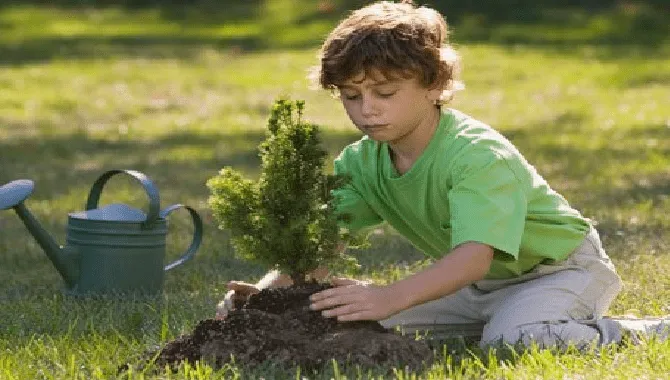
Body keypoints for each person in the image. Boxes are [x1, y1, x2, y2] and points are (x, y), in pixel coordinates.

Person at [216, 0, 665, 349]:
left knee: (515, 340)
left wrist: (391, 296)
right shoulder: (361, 161)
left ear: (434, 85)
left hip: (559, 271)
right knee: (353, 321)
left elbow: (473, 256)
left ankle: (649, 332)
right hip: (477, 286)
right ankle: (500, 318)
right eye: (351, 96)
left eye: (385, 92)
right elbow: (322, 244)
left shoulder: (476, 155)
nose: (367, 108)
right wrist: (263, 294)